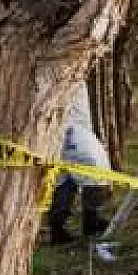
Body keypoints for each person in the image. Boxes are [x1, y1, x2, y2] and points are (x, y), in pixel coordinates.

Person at [47, 82, 113, 245]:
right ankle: (87, 219)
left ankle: (60, 228)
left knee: (67, 176)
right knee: (95, 168)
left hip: (73, 124)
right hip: (69, 126)